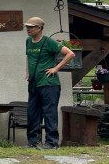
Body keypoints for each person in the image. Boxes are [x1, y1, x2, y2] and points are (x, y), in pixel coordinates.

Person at [25, 16, 74, 149]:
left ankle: (52, 143)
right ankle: (33, 142)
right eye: (27, 27)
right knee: (32, 113)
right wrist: (27, 72)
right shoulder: (28, 41)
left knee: (49, 112)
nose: (27, 29)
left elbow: (70, 54)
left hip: (49, 84)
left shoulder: (48, 42)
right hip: (34, 82)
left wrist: (56, 68)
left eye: (30, 27)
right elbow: (28, 57)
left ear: (39, 28)